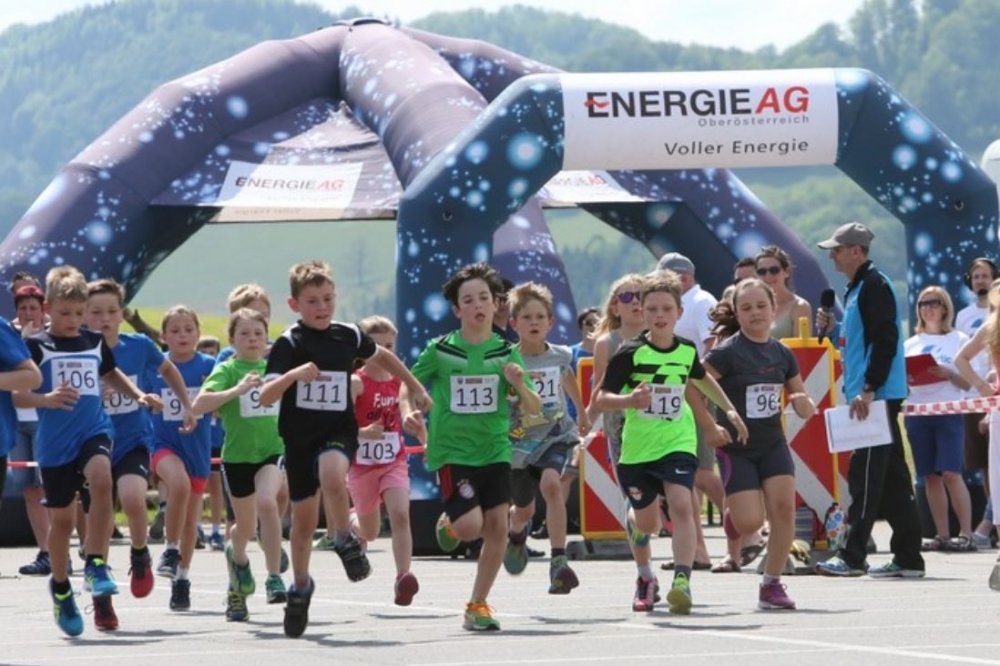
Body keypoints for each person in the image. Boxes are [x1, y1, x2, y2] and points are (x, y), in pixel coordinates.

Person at [259, 260, 431, 638]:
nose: (322, 307)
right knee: (303, 524)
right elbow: (265, 395)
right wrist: (293, 374)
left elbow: (384, 357)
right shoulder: (290, 343)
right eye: (312, 301)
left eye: (328, 299)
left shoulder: (348, 334)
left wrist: (416, 386)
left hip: (339, 430)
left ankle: (343, 538)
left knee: (333, 474)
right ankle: (300, 585)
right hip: (299, 439)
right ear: (294, 304)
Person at [594, 271, 747, 614]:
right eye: (652, 309)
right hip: (637, 450)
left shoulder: (686, 350)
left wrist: (728, 409)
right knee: (647, 524)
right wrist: (629, 400)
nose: (659, 315)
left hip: (678, 442)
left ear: (679, 312)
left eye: (666, 309)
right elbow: (601, 398)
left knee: (682, 504)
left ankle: (682, 581)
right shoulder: (630, 353)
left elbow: (702, 379)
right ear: (643, 312)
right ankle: (645, 576)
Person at [14, 266, 153, 636]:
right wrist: (45, 398)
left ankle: (95, 563)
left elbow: (110, 373)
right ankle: (61, 589)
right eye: (65, 313)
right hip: (55, 443)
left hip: (94, 429)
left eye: (79, 313)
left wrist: (138, 394)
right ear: (48, 308)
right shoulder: (36, 346)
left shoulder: (93, 341)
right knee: (61, 523)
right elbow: (17, 394)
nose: (73, 320)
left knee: (102, 478)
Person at [406, 262, 540, 631]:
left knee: (497, 528)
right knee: (469, 528)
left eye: (484, 298)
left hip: (495, 449)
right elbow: (409, 384)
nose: (478, 305)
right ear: (457, 310)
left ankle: (477, 604)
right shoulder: (441, 350)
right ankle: (451, 522)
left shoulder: (505, 353)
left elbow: (533, 407)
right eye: (468, 300)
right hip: (453, 452)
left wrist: (520, 384)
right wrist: (409, 410)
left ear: (496, 304)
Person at [813, 221, 925, 578]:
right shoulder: (859, 287)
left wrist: (869, 387)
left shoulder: (874, 285)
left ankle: (853, 555)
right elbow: (859, 342)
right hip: (872, 394)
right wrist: (832, 330)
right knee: (892, 479)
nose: (832, 256)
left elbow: (885, 339)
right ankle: (909, 558)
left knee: (864, 476)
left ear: (856, 251)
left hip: (875, 396)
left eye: (837, 249)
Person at [84, 279, 195, 629]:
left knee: (133, 499)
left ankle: (139, 552)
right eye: (96, 312)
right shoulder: (79, 351)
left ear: (122, 314)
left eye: (111, 311)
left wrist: (186, 404)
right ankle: (102, 602)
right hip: (92, 444)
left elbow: (168, 369)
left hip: (132, 440)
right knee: (100, 521)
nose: (104, 318)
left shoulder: (139, 346)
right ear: (84, 315)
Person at [703, 278, 816, 609]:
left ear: (774, 309)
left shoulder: (783, 353)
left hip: (772, 444)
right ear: (737, 314)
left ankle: (772, 584)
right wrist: (709, 425)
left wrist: (803, 403)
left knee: (784, 510)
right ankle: (736, 515)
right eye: (747, 307)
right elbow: (694, 386)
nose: (755, 313)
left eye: (761, 306)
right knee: (749, 523)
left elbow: (800, 397)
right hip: (736, 448)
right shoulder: (726, 353)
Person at [192, 308, 287, 622]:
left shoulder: (274, 368)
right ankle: (238, 566)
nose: (252, 339)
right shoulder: (228, 369)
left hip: (272, 452)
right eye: (244, 334)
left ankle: (274, 577)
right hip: (237, 458)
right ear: (232, 340)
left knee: (267, 502)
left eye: (258, 333)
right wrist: (238, 390)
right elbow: (199, 404)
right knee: (244, 529)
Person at [503, 282, 590, 594]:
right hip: (518, 443)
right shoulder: (507, 360)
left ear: (550, 322)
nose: (534, 322)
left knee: (552, 484)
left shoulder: (560, 355)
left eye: (540, 317)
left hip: (554, 435)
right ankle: (516, 533)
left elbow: (568, 377)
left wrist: (581, 411)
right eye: (527, 317)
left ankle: (558, 561)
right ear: (514, 323)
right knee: (524, 510)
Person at [655, 252, 729, 570]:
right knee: (687, 478)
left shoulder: (700, 302)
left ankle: (748, 529)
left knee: (701, 474)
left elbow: (713, 346)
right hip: (678, 398)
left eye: (663, 278)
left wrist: (699, 386)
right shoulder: (682, 303)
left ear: (682, 277)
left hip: (694, 395)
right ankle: (696, 550)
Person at [346, 315, 421, 606]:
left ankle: (403, 576)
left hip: (393, 462)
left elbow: (408, 411)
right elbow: (340, 425)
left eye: (389, 346)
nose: (383, 353)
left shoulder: (400, 380)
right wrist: (362, 431)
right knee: (371, 531)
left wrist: (423, 436)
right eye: (376, 347)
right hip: (362, 468)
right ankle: (353, 522)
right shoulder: (356, 382)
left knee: (400, 515)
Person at [149, 305, 214, 611]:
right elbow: (136, 394)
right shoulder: (156, 367)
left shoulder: (210, 366)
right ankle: (170, 550)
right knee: (178, 484)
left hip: (197, 450)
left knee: (191, 522)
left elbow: (222, 397)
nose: (182, 335)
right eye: (174, 331)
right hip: (163, 444)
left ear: (198, 333)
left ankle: (182, 578)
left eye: (188, 329)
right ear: (164, 336)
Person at [902, 286, 975, 551]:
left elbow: (969, 383)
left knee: (951, 473)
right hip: (918, 413)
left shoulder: (959, 339)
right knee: (930, 476)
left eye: (933, 303)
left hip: (948, 413)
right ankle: (942, 534)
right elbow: (902, 382)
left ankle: (966, 533)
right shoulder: (910, 344)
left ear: (945, 307)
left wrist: (949, 374)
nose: (927, 308)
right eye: (922, 304)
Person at [11, 284, 56, 577]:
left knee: (46, 488)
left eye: (33, 308)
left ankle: (59, 549)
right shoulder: (9, 337)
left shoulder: (50, 339)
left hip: (43, 417)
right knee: (28, 488)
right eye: (23, 308)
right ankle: (45, 551)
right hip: (17, 419)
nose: (28, 314)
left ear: (43, 310)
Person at [955, 257, 998, 547]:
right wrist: (982, 387)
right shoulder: (984, 324)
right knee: (990, 472)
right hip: (986, 405)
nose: (980, 281)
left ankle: (987, 528)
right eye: (976, 276)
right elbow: (961, 358)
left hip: (993, 406)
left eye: (986, 276)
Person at [196, 335, 227, 552]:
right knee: (197, 484)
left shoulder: (220, 377)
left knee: (216, 484)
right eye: (204, 352)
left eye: (212, 352)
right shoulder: (193, 376)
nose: (208, 356)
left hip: (216, 438)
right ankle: (196, 527)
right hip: (198, 437)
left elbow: (219, 410)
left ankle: (216, 530)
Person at [754, 245, 813, 339]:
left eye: (774, 270)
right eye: (762, 271)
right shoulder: (752, 306)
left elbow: (802, 346)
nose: (768, 275)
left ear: (787, 272)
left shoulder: (800, 306)